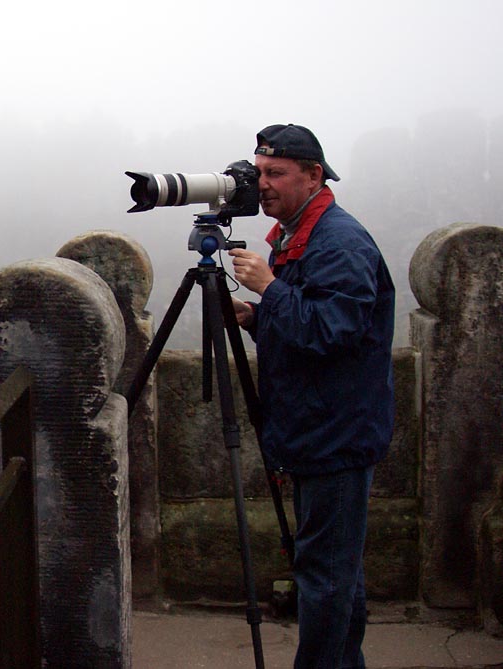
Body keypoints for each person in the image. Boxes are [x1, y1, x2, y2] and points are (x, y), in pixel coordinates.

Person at [228, 124, 395, 669]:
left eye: (276, 174)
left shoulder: (339, 242)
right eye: (260, 173)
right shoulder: (298, 232)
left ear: (314, 175)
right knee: (334, 569)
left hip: (335, 434)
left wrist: (270, 289)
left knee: (324, 576)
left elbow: (333, 332)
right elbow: (307, 331)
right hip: (316, 428)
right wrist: (258, 317)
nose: (263, 185)